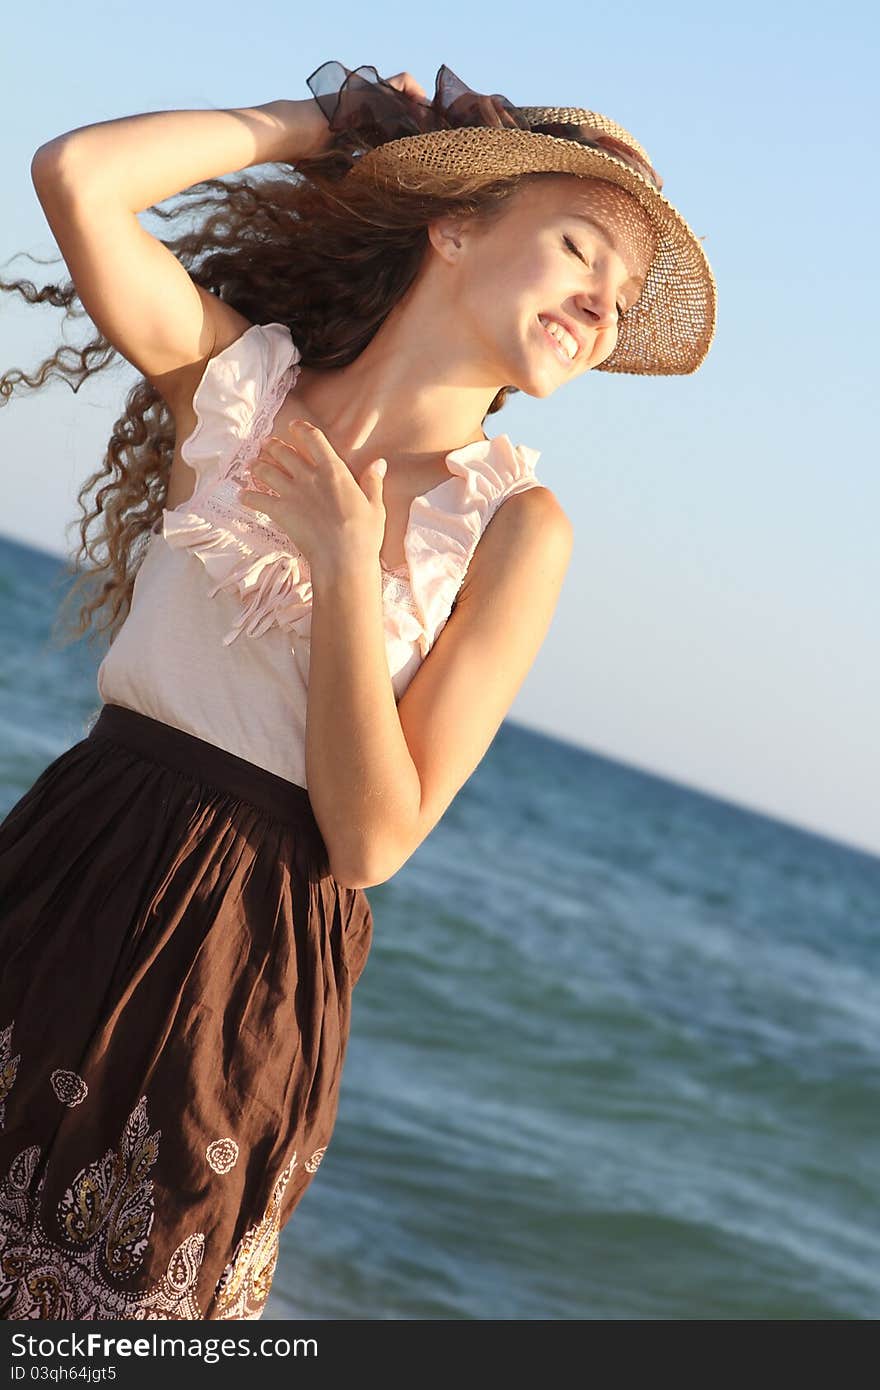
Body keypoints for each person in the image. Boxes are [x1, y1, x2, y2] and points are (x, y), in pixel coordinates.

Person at [0, 61, 716, 1320]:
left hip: (251, 958)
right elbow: (78, 178)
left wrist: (344, 561)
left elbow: (375, 837)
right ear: (454, 224)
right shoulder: (239, 393)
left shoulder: (514, 530)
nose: (602, 303)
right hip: (76, 856)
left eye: (623, 296)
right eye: (577, 246)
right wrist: (329, 125)